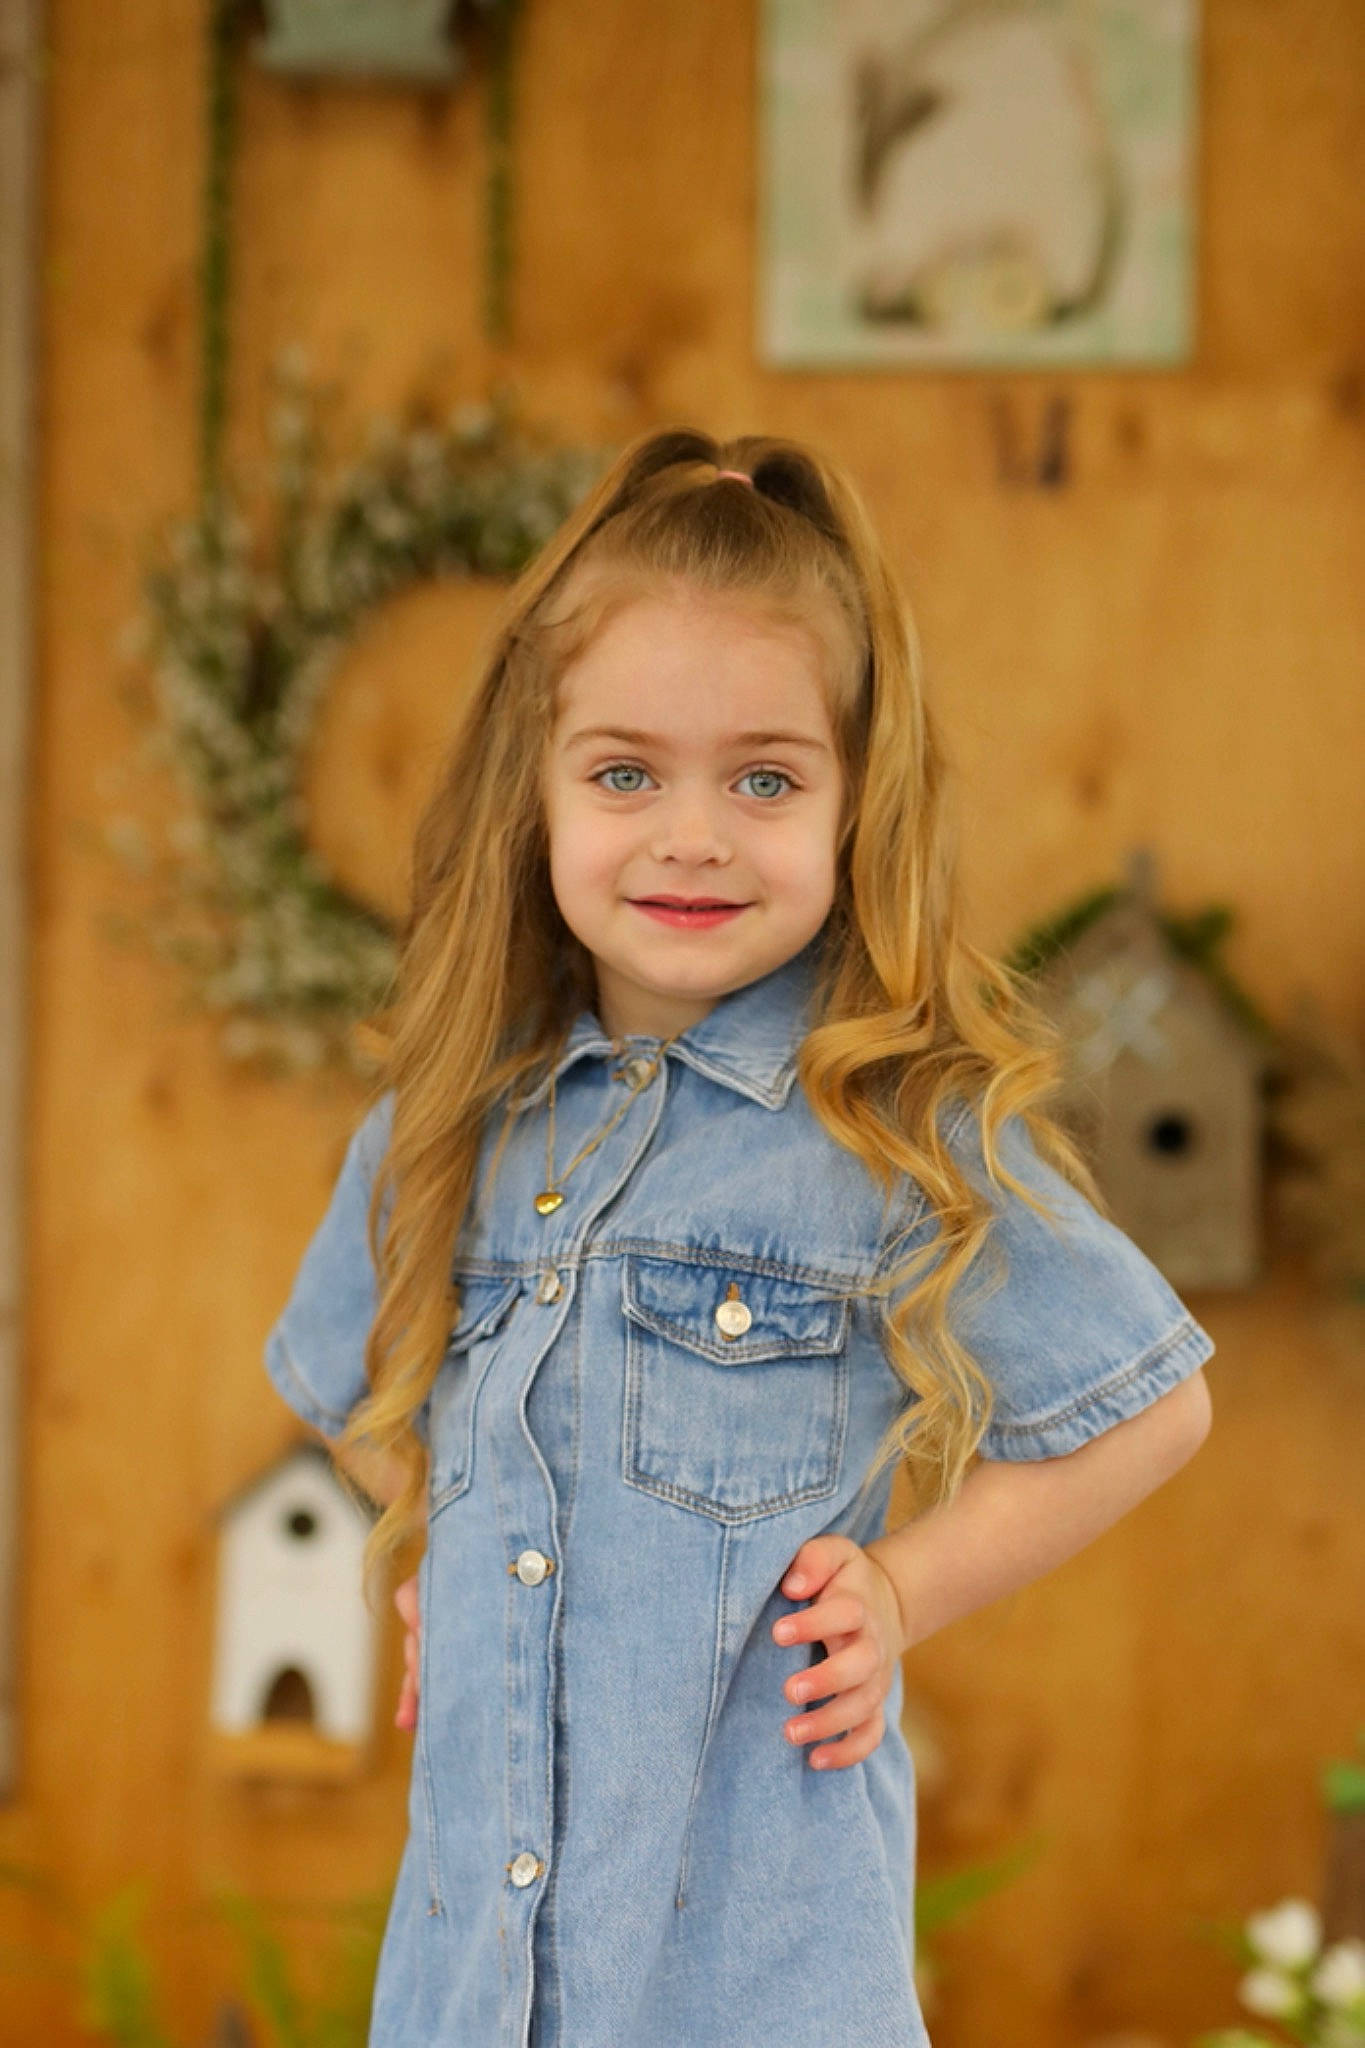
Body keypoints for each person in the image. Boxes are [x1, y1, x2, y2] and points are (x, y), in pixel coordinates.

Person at [262, 427, 1215, 2048]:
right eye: (624, 773)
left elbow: (1150, 1404)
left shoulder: (896, 1127)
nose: (691, 834)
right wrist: (437, 1538)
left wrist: (901, 1591)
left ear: (856, 802)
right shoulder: (453, 1117)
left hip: (752, 1986)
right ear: (539, 792)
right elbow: (350, 1387)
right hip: (471, 1996)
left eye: (763, 778)